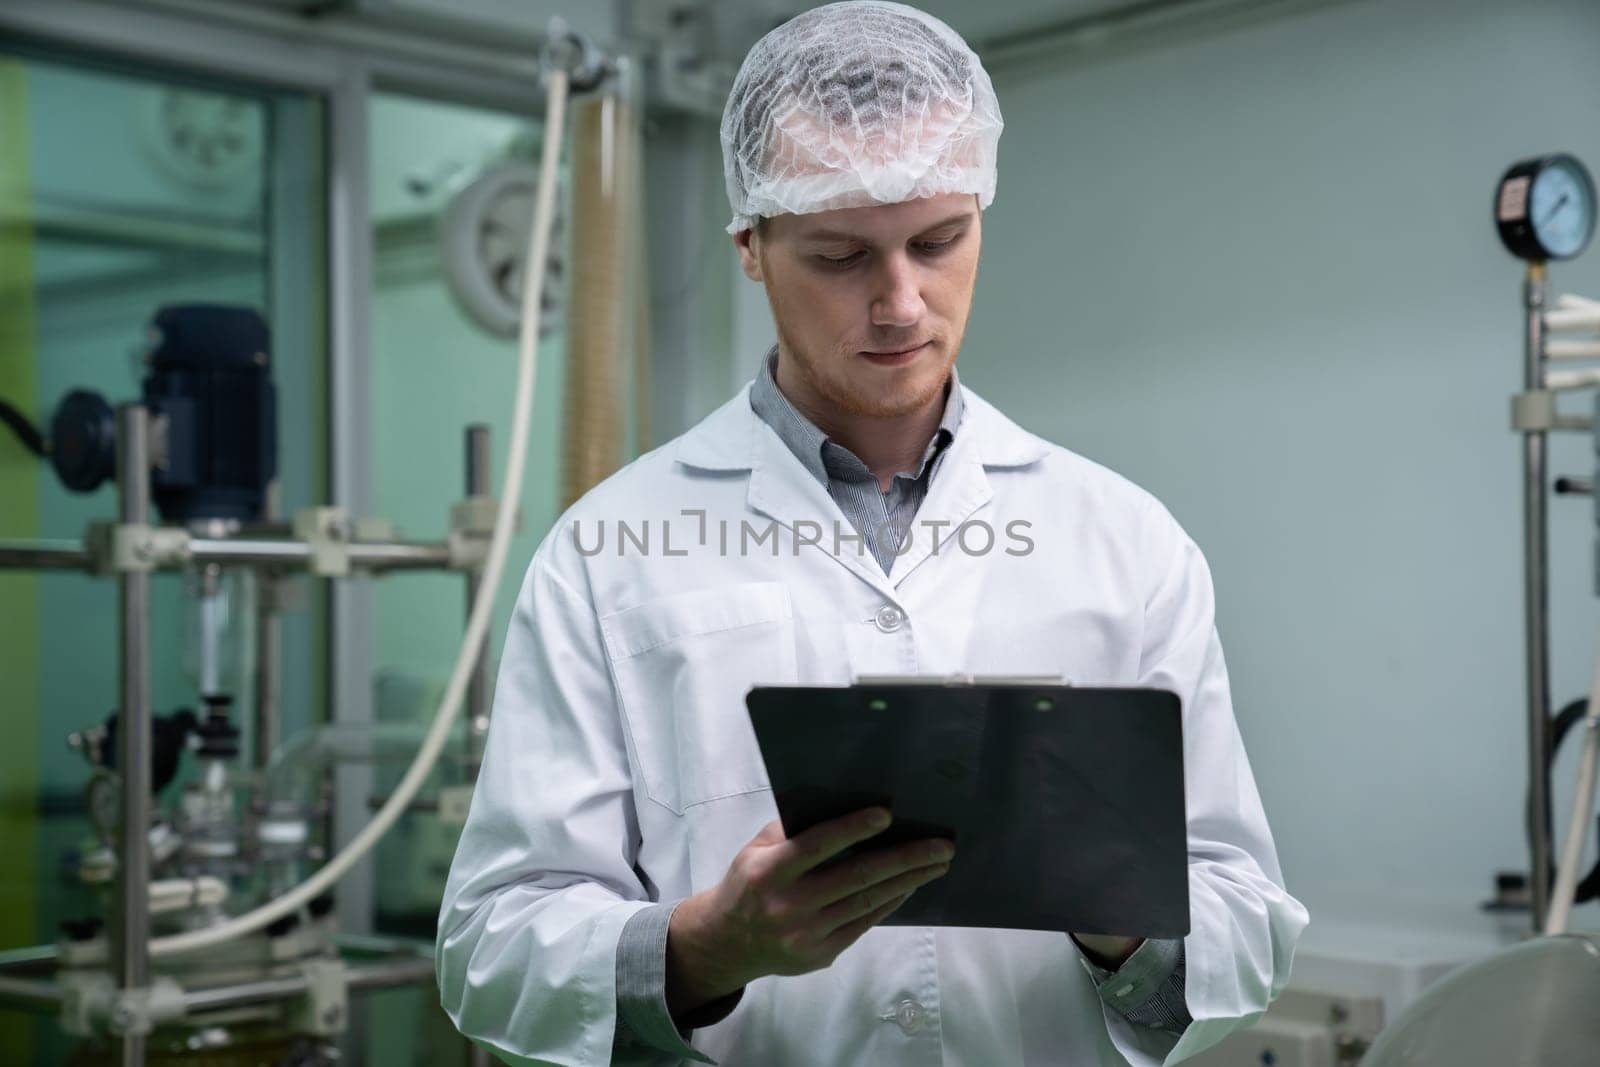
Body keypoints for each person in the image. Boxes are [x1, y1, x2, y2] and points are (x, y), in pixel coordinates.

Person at [436, 3, 1308, 1064]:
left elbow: (1244, 917)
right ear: (751, 247)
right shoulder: (605, 548)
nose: (901, 303)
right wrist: (707, 944)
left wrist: (1113, 909)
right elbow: (489, 943)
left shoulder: (1126, 542)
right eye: (841, 255)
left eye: (939, 241)